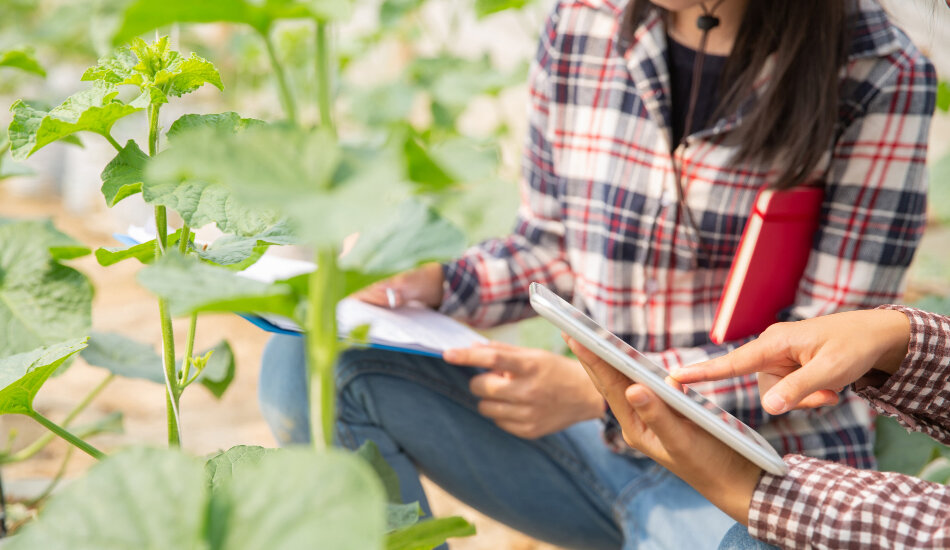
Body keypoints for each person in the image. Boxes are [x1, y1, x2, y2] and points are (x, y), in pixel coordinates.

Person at [258, 0, 936, 547]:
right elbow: (551, 244)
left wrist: (602, 391)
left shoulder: (878, 71)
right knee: (310, 371)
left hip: (759, 479)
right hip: (593, 449)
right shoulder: (584, 20)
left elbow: (816, 361)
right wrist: (437, 281)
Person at [567, 305, 950, 549]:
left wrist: (750, 487)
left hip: (796, 459)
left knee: (752, 545)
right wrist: (896, 337)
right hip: (636, 462)